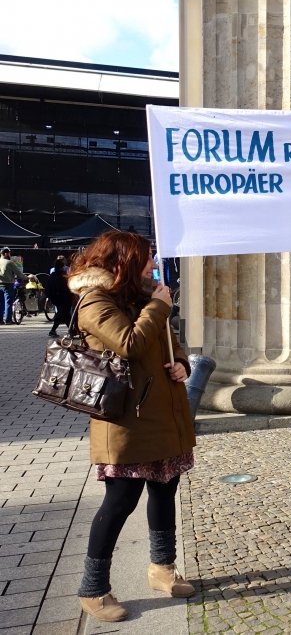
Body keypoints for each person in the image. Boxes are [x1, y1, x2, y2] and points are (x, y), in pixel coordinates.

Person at [68, 231, 196, 622]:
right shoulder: (95, 301)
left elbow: (169, 343)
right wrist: (159, 305)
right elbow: (130, 344)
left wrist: (183, 364)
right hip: (126, 420)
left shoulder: (143, 296)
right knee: (121, 501)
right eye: (145, 259)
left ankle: (162, 569)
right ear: (123, 260)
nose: (152, 265)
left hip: (164, 413)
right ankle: (93, 589)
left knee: (164, 490)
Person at [46, 258, 73, 337]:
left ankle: (71, 330)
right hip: (65, 298)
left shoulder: (53, 275)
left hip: (56, 298)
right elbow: (67, 287)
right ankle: (54, 330)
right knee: (63, 313)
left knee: (64, 314)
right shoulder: (64, 275)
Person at [0, 247, 26, 324]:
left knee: (0, 303)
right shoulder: (9, 262)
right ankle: (8, 320)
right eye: (9, 253)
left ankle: (0, 320)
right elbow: (19, 274)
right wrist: (27, 277)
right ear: (6, 253)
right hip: (7, 285)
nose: (10, 255)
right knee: (8, 302)